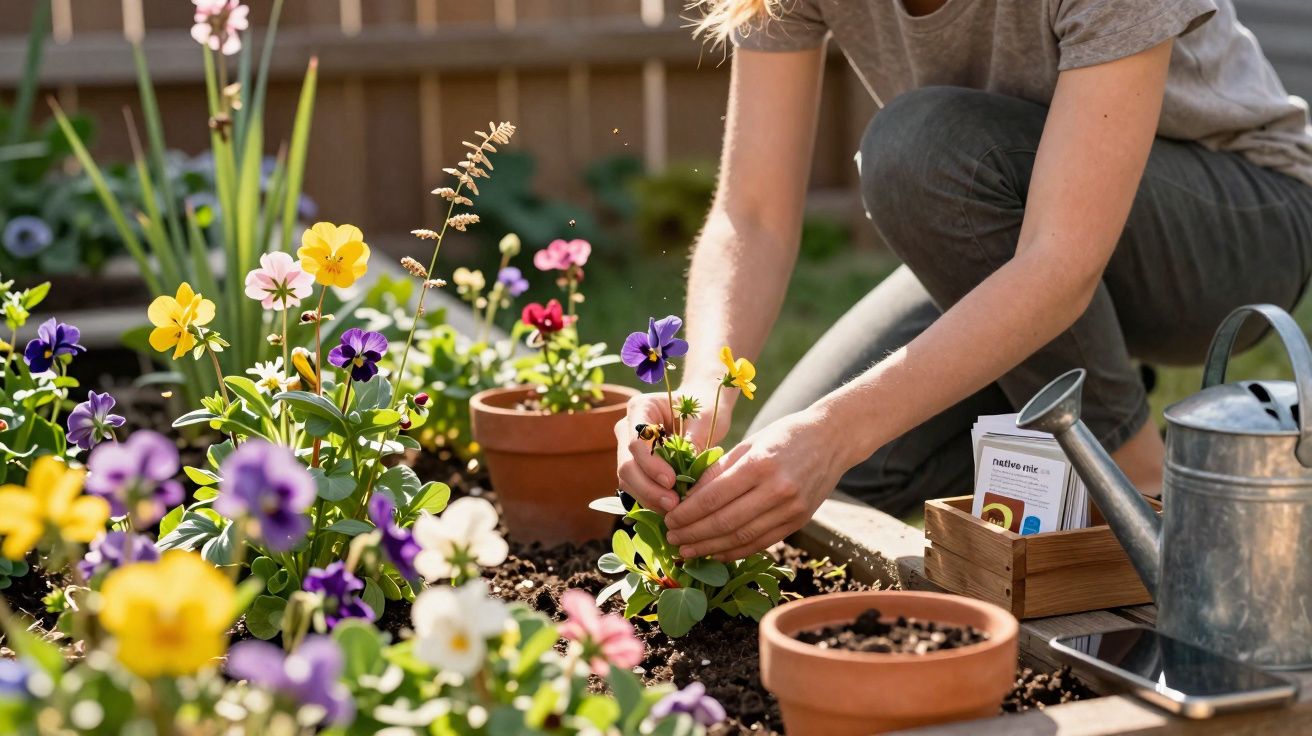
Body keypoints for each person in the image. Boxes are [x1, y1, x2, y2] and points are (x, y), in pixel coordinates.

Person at [615, 0, 1312, 561]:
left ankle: (1139, 482)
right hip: (1021, 231)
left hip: (1236, 229)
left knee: (918, 151)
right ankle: (1080, 402)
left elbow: (1060, 265)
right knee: (789, 495)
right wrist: (706, 390)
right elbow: (754, 215)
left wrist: (833, 430)